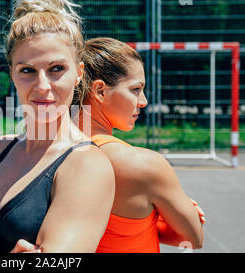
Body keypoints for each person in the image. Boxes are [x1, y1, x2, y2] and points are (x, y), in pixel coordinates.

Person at [0, 0, 115, 253]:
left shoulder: (86, 164)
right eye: (28, 70)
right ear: (11, 73)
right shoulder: (0, 149)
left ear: (79, 73)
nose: (42, 85)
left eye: (57, 69)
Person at [75, 37, 205, 253]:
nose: (143, 101)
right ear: (99, 91)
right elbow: (193, 238)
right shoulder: (143, 165)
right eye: (135, 89)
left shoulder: (47, 150)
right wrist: (158, 215)